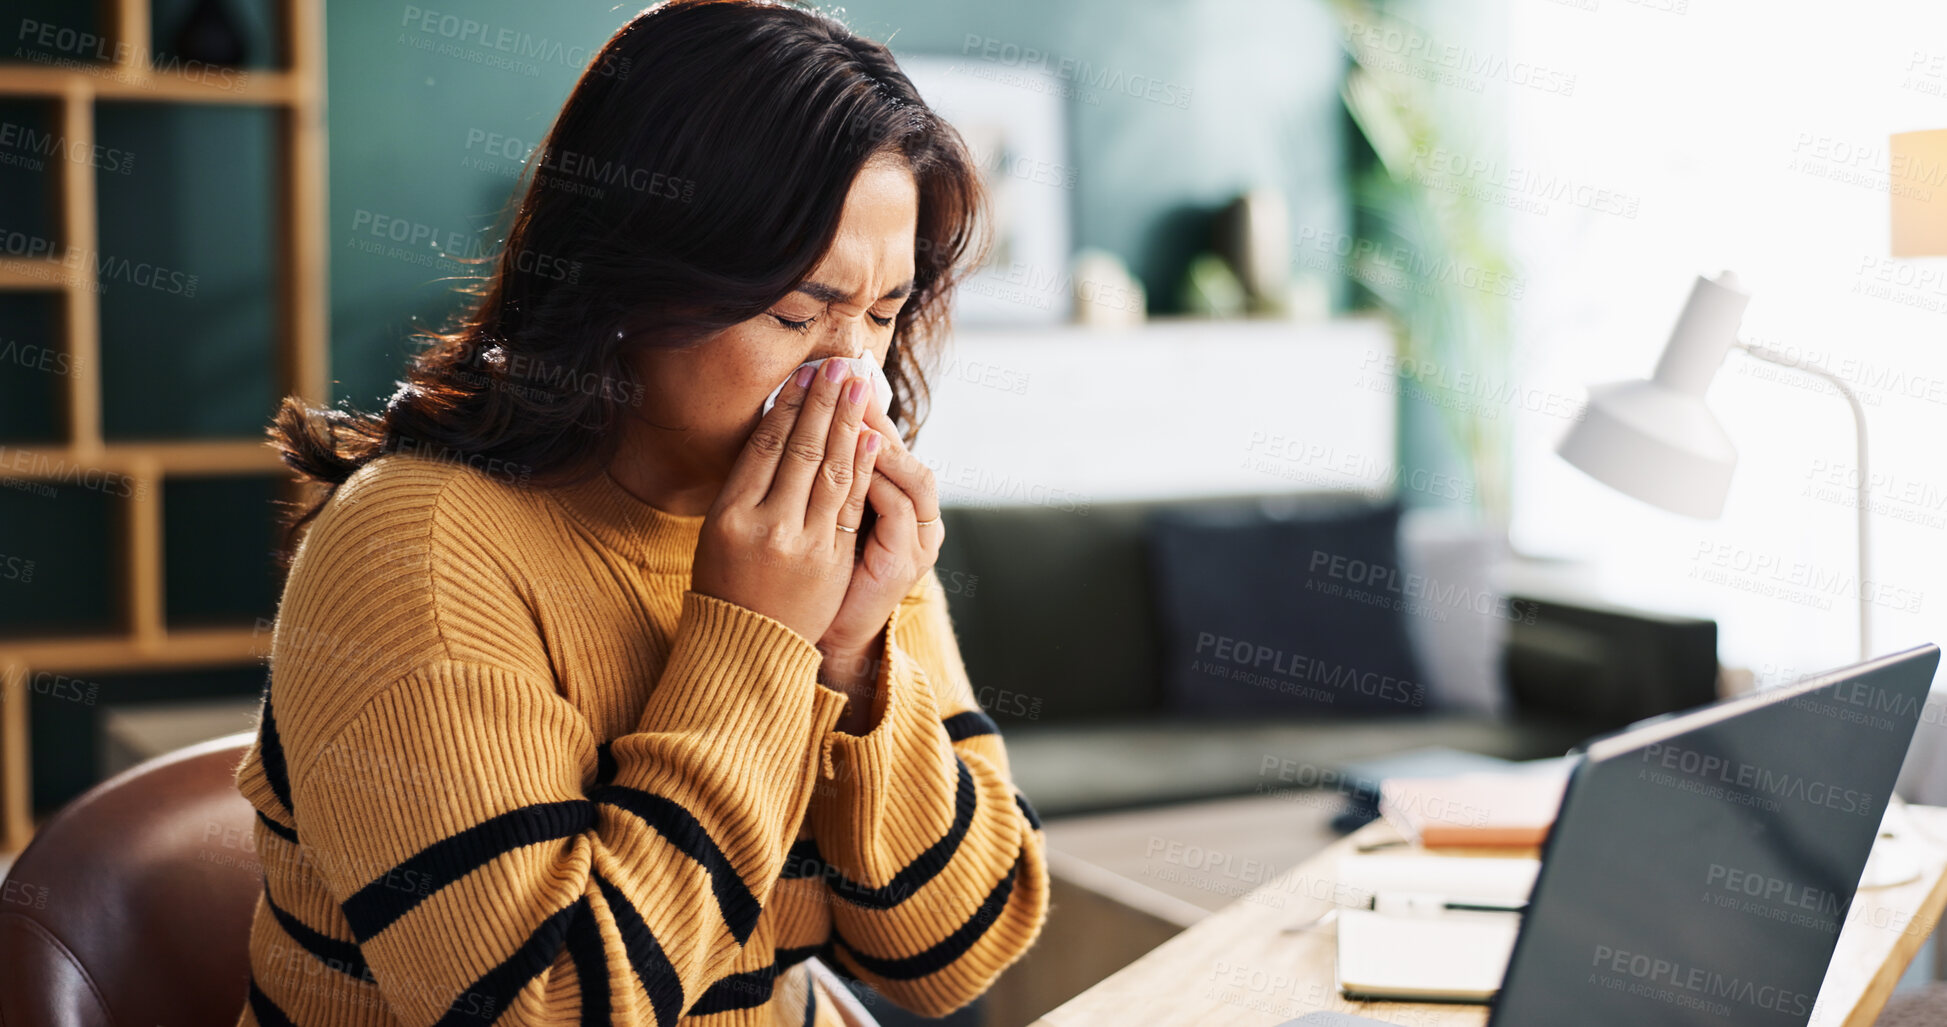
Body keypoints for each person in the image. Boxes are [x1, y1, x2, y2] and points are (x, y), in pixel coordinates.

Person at [231, 2, 1048, 1023]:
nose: (853, 381)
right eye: (796, 312)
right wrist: (756, 637)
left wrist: (855, 649)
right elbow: (547, 1005)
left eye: (882, 315)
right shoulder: (419, 548)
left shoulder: (839, 523)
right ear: (628, 274)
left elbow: (952, 954)